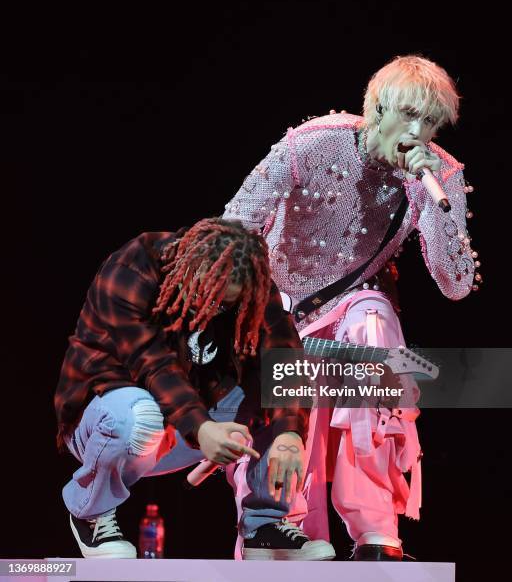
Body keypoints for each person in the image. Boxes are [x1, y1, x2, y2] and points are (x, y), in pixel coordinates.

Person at [222, 55, 479, 560]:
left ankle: (375, 526)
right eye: (410, 115)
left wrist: (433, 200)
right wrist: (256, 314)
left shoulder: (439, 175)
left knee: (373, 315)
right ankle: (284, 520)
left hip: (349, 316)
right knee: (297, 381)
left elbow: (456, 283)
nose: (419, 131)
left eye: (430, 121)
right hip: (278, 311)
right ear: (377, 108)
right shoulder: (312, 143)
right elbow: (235, 227)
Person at [55, 217, 335, 561]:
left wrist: (289, 434)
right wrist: (201, 427)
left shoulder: (253, 286)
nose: (214, 309)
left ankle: (264, 527)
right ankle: (90, 512)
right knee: (140, 410)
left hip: (188, 426)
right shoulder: (133, 267)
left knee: (286, 396)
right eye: (209, 296)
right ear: (190, 269)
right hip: (108, 422)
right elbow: (154, 365)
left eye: (226, 304)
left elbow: (284, 356)